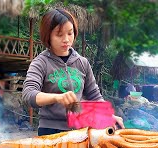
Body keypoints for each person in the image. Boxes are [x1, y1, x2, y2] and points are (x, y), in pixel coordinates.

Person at [22, 8, 124, 136]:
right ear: (48, 36)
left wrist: (108, 116)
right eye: (59, 34)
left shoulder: (82, 62)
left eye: (70, 33)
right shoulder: (40, 63)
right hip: (50, 131)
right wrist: (57, 97)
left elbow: (94, 95)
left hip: (80, 130)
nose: (66, 39)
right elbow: (28, 94)